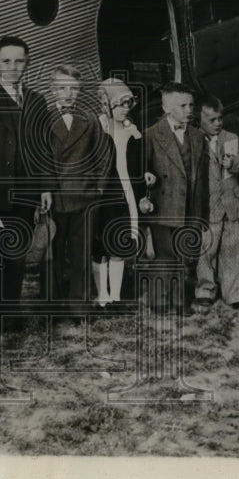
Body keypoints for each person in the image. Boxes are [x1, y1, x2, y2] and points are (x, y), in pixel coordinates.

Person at [0, 36, 53, 332]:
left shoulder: (37, 101)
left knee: (15, 256)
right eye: (6, 61)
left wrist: (44, 187)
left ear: (27, 64)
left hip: (25, 192)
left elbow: (43, 149)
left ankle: (10, 311)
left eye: (19, 61)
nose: (13, 67)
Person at [144, 82, 209, 314]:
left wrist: (202, 210)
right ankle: (159, 301)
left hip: (190, 206)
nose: (189, 110)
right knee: (164, 255)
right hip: (163, 206)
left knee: (184, 254)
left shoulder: (197, 136)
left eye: (191, 105)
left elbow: (201, 176)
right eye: (183, 105)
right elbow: (144, 170)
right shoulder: (152, 134)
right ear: (167, 107)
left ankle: (180, 300)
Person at [92, 78, 155, 310]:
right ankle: (102, 295)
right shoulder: (97, 128)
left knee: (119, 245)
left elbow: (139, 162)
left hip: (126, 193)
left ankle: (116, 297)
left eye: (129, 103)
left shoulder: (132, 130)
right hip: (103, 195)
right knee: (100, 247)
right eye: (120, 104)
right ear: (106, 104)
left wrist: (147, 174)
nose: (125, 109)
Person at [46, 64, 102, 320]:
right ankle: (54, 307)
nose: (67, 94)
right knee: (53, 253)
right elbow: (38, 161)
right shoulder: (43, 120)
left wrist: (97, 185)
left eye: (73, 89)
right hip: (54, 198)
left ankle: (80, 306)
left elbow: (102, 155)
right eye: (61, 88)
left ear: (80, 91)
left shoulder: (89, 120)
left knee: (81, 253)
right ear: (52, 90)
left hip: (84, 196)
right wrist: (43, 191)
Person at [192, 96, 239, 313]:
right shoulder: (194, 139)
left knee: (233, 251)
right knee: (206, 251)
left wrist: (234, 163)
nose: (218, 123)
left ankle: (233, 293)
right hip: (209, 206)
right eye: (212, 119)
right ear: (199, 119)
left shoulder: (231, 138)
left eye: (220, 118)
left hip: (231, 205)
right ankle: (205, 290)